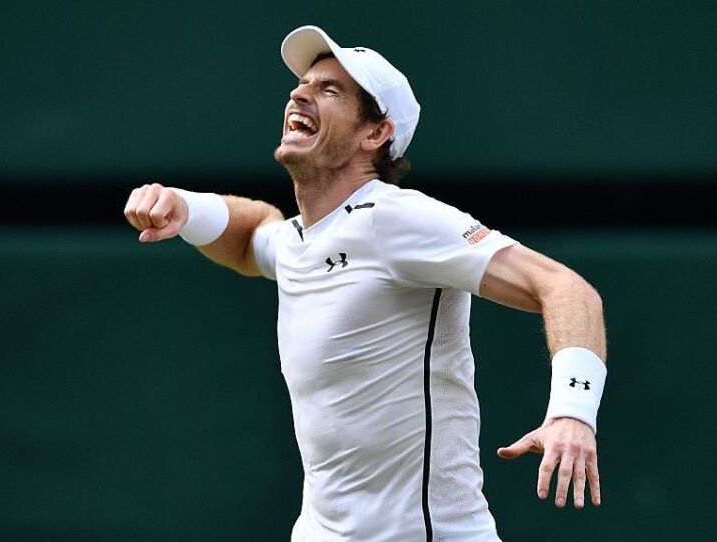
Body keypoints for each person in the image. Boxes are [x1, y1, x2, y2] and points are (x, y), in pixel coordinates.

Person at [124, 25, 607, 542]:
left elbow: (565, 289)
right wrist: (183, 204)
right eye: (303, 84)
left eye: (329, 90)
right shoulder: (298, 240)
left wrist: (573, 415)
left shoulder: (395, 220)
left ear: (375, 134)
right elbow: (250, 237)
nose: (298, 93)